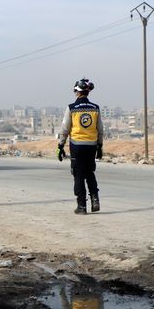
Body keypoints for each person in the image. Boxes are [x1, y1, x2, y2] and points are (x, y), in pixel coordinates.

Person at [57, 78, 104, 214]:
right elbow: (100, 129)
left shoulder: (71, 108)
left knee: (78, 174)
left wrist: (60, 146)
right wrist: (100, 147)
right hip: (91, 146)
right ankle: (95, 200)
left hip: (77, 146)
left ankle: (81, 206)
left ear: (76, 92)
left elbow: (65, 129)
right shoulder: (95, 108)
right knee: (89, 172)